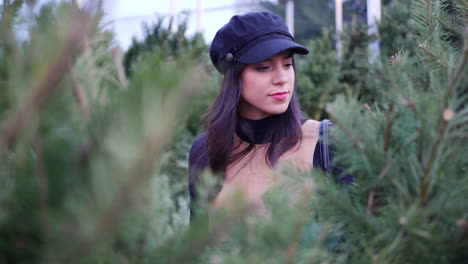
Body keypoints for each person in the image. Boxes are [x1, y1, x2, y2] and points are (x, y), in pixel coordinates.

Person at [188, 11, 351, 221]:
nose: (282, 78)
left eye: (287, 64)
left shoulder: (328, 143)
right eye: (264, 67)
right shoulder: (205, 152)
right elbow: (197, 246)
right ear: (234, 76)